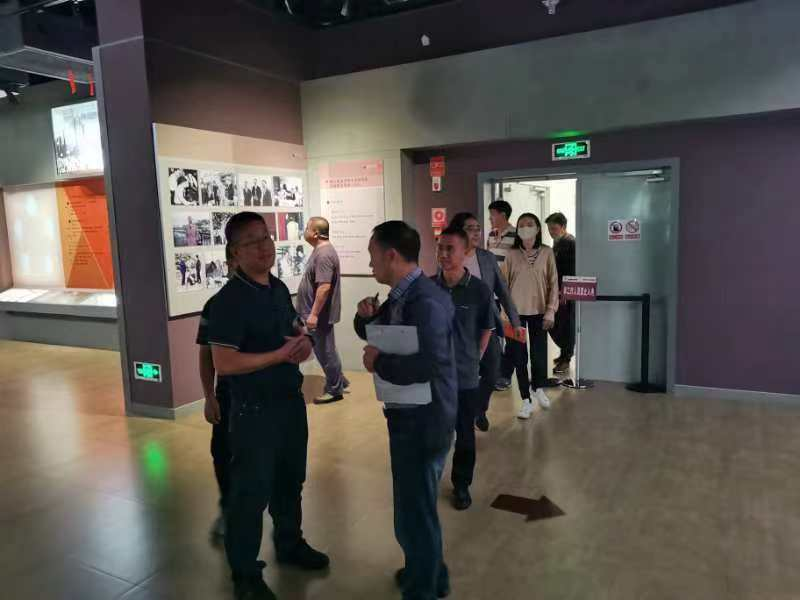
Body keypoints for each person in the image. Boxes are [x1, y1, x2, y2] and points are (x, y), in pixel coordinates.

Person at [208, 212, 329, 600]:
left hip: (289, 404)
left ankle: (289, 544)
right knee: (251, 494)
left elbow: (294, 326)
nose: (264, 247)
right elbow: (224, 362)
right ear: (235, 252)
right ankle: (245, 575)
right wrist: (279, 356)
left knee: (290, 481)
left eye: (266, 238)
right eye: (252, 242)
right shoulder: (227, 302)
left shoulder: (276, 288)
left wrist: (304, 340)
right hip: (253, 412)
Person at [354, 221, 456, 600]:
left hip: (424, 420)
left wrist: (379, 363)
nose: (370, 265)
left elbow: (429, 363)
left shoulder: (425, 301)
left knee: (415, 512)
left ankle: (422, 588)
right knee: (416, 506)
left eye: (373, 257)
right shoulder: (402, 296)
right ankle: (429, 573)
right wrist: (366, 317)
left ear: (392, 255)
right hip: (408, 413)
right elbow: (382, 334)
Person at [433, 226, 494, 511]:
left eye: (450, 249)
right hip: (433, 376)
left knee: (464, 434)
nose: (444, 254)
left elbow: (486, 328)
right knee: (433, 432)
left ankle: (461, 484)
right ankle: (429, 479)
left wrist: (476, 356)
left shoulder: (479, 290)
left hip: (465, 377)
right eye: (440, 248)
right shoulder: (428, 288)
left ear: (465, 252)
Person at [449, 212, 521, 432]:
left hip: (486, 323)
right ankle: (461, 415)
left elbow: (502, 290)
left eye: (478, 228)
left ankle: (479, 409)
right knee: (461, 372)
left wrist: (515, 321)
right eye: (470, 228)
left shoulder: (487, 258)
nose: (476, 232)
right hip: (459, 325)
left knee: (492, 370)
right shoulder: (450, 256)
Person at [197, 245, 238, 539]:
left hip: (266, 395)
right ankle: (229, 509)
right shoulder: (216, 305)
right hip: (228, 392)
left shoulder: (273, 297)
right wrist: (209, 396)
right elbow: (206, 353)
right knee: (222, 451)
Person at [501, 213, 560, 419]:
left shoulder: (547, 252)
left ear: (537, 228)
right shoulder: (511, 255)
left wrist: (551, 310)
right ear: (517, 230)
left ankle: (538, 388)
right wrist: (505, 315)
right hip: (515, 314)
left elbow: (554, 283)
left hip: (540, 311)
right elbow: (503, 286)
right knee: (519, 357)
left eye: (530, 224)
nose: (526, 227)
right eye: (522, 225)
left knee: (539, 354)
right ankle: (526, 399)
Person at [298, 217, 349, 404]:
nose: (304, 231)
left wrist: (313, 314)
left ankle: (335, 390)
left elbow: (324, 287)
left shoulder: (324, 254)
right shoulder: (320, 251)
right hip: (316, 313)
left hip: (319, 315)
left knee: (325, 351)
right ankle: (339, 380)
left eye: (307, 228)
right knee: (326, 349)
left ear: (316, 233)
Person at [545, 212, 577, 375]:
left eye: (554, 228)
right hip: (557, 290)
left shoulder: (570, 243)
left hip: (566, 292)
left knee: (566, 324)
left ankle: (566, 358)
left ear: (563, 227)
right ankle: (564, 354)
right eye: (549, 229)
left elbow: (571, 270)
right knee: (560, 323)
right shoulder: (558, 242)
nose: (551, 232)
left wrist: (565, 291)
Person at [486, 199, 516, 264]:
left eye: (492, 214)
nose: (490, 218)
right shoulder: (491, 234)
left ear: (503, 215)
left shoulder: (516, 235)